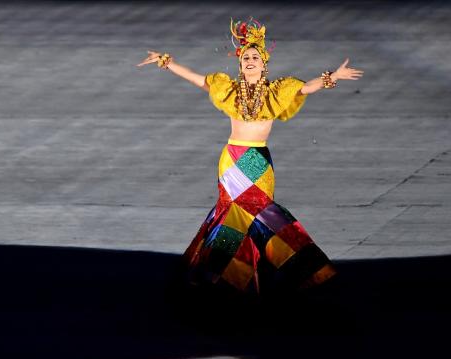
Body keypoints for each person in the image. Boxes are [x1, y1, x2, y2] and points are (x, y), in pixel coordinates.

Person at [139, 18, 362, 298]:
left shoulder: (276, 92)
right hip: (232, 159)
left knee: (261, 215)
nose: (250, 60)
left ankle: (286, 270)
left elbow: (305, 88)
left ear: (264, 63)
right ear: (240, 63)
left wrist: (332, 77)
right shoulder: (228, 89)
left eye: (255, 57)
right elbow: (196, 79)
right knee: (231, 214)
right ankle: (224, 279)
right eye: (246, 57)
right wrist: (165, 61)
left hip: (258, 160)